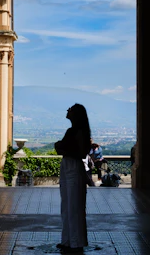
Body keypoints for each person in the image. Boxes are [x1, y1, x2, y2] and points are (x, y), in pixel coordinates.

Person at [54, 103, 91, 253]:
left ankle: (76, 242)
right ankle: (69, 240)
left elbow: (81, 153)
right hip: (68, 166)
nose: (67, 110)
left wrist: (62, 147)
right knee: (67, 206)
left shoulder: (78, 131)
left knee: (74, 206)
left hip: (73, 167)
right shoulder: (74, 131)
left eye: (71, 109)